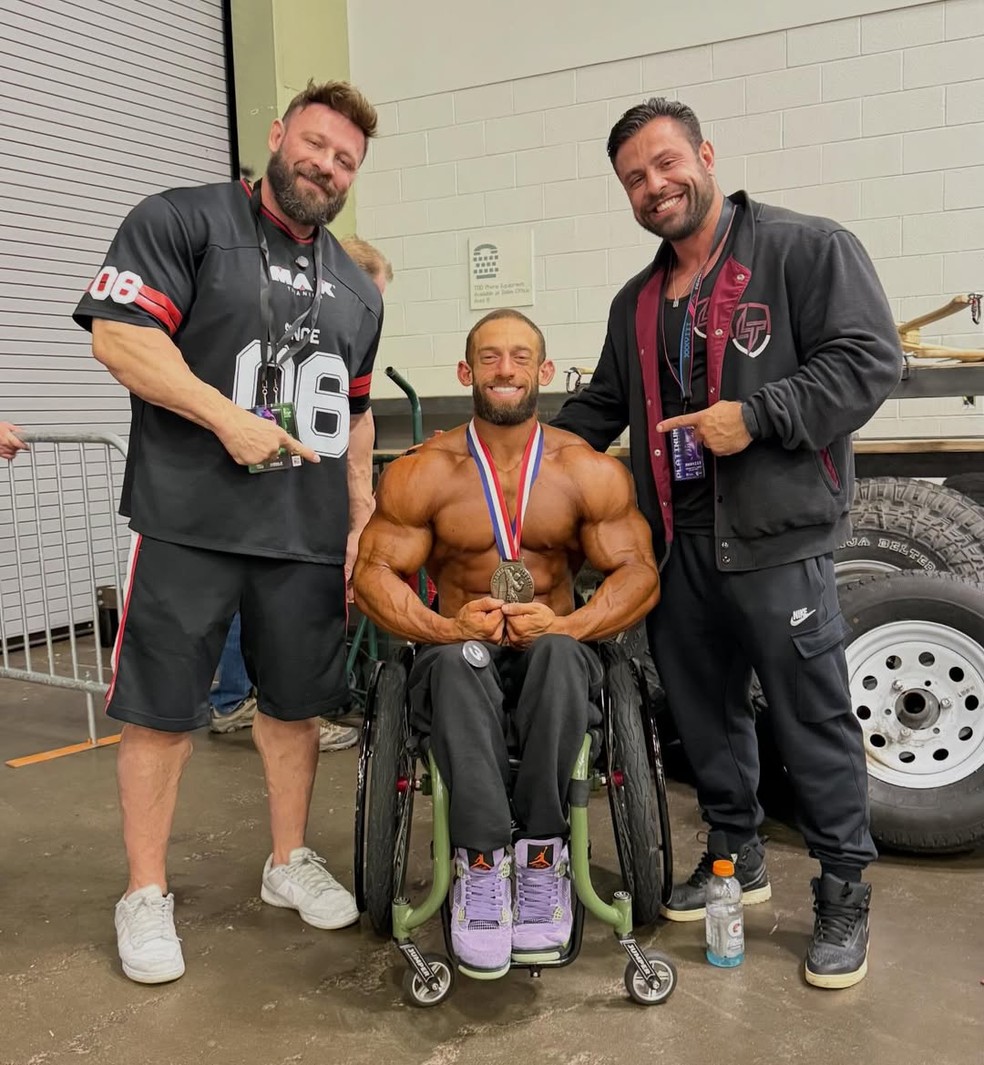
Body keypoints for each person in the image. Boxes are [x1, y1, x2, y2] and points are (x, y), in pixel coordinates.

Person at [553, 97, 903, 990]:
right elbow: (601, 406)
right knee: (704, 713)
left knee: (809, 716)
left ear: (705, 155)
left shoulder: (802, 248)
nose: (653, 185)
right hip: (673, 539)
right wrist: (519, 457)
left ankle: (842, 890)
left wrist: (757, 416)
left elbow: (869, 359)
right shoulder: (636, 300)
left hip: (778, 537)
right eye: (634, 177)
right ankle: (735, 856)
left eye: (666, 163)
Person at [72, 80, 383, 984]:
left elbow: (357, 416)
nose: (325, 164)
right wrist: (224, 418)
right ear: (279, 134)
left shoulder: (358, 286)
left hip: (305, 534)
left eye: (345, 161)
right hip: (189, 522)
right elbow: (120, 339)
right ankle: (144, 890)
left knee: (295, 710)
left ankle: (287, 860)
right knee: (162, 712)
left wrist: (360, 513)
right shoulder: (183, 220)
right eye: (316, 143)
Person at [353, 309, 659, 979]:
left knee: (555, 657)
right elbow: (371, 574)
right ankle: (482, 865)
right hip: (458, 650)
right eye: (489, 357)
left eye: (521, 357)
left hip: (554, 647)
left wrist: (568, 626)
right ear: (466, 372)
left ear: (544, 372)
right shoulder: (423, 471)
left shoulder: (585, 470)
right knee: (460, 663)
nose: (505, 369)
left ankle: (543, 858)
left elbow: (638, 572)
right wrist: (446, 627)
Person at [207, 235, 394, 751]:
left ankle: (261, 701)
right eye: (368, 296)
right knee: (243, 596)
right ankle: (240, 699)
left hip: (297, 490)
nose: (371, 311)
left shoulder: (342, 344)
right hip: (252, 492)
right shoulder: (273, 327)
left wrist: (361, 501)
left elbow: (360, 415)